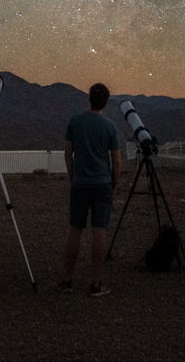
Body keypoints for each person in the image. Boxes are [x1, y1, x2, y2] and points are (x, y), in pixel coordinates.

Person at [58, 82, 122, 297]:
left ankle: (67, 279)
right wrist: (113, 183)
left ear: (89, 98)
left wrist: (73, 176)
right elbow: (116, 161)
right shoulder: (110, 126)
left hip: (80, 183)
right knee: (99, 230)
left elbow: (67, 154)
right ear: (106, 102)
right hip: (102, 184)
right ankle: (95, 283)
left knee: (76, 229)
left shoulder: (75, 121)